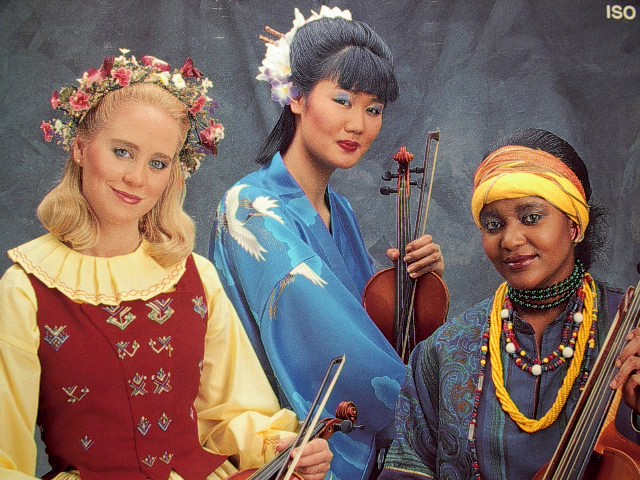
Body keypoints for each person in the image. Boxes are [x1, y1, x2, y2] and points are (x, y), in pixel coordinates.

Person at [0, 49, 333, 480]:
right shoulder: (26, 289)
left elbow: (229, 413)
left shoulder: (196, 277)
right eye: (122, 152)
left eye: (157, 163)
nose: (137, 178)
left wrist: (284, 448)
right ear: (81, 148)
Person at [209, 6, 445, 480]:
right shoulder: (250, 207)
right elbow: (335, 345)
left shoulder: (342, 212)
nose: (359, 124)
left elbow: (371, 329)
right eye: (343, 100)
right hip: (290, 443)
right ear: (296, 96)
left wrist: (417, 289)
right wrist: (435, 401)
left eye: (373, 109)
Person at [380, 128, 640, 479]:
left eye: (532, 217)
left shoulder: (631, 331)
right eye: (493, 225)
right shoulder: (442, 351)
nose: (510, 240)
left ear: (575, 225)